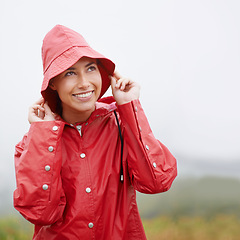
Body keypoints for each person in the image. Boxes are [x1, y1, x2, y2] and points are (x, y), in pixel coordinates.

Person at [13, 25, 177, 240]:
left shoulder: (121, 124)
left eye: (90, 68)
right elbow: (40, 212)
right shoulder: (33, 143)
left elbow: (157, 183)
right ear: (52, 83)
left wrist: (130, 107)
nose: (84, 83)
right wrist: (43, 134)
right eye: (70, 72)